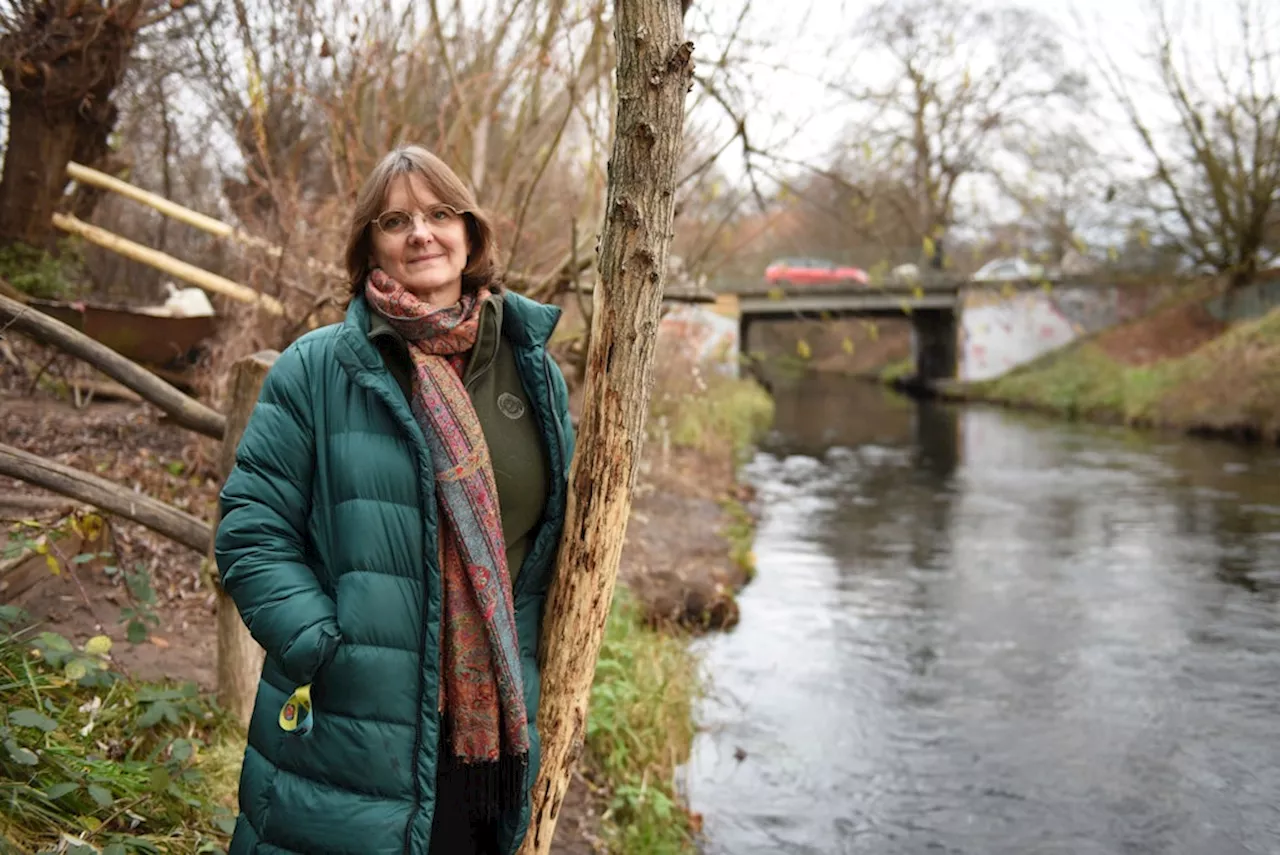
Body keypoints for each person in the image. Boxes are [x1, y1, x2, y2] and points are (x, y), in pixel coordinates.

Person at [215, 145, 575, 855]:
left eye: (441, 213)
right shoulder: (318, 367)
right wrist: (323, 643)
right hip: (352, 718)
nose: (422, 233)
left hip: (491, 724)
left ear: (469, 233)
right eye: (396, 219)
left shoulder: (531, 369)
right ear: (369, 244)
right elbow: (251, 529)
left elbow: (549, 546)